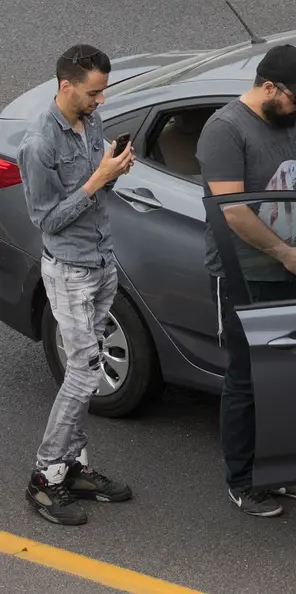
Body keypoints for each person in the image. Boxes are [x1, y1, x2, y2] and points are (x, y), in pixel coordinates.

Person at [196, 44, 296, 517]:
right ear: (269, 88)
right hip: (247, 277)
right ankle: (244, 479)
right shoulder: (225, 131)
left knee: (292, 375)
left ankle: (285, 471)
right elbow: (232, 210)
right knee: (247, 380)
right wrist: (285, 253)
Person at [18, 44, 135, 526]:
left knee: (87, 369)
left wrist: (113, 172)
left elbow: (94, 190)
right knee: (85, 373)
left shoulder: (92, 122)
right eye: (93, 92)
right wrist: (98, 180)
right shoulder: (39, 144)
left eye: (103, 91)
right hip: (69, 272)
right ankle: (45, 476)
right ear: (66, 86)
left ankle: (75, 468)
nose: (100, 101)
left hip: (103, 262)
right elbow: (47, 221)